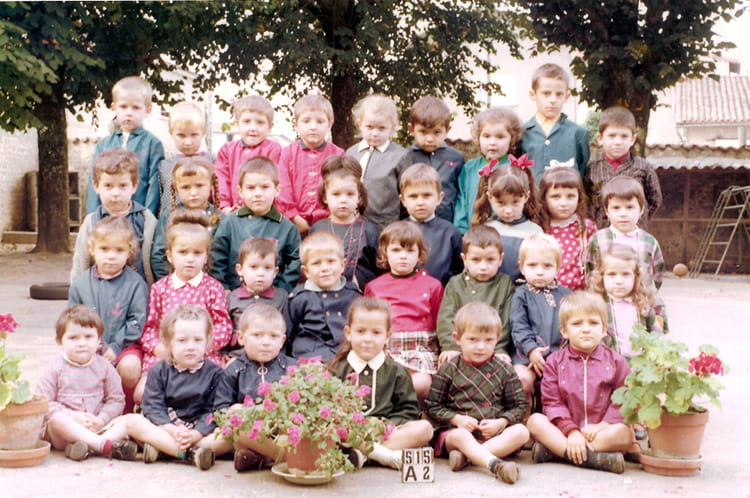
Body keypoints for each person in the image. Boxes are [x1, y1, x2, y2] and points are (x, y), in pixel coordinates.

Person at [526, 291, 632, 474]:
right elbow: (552, 402)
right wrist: (572, 431)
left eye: (593, 323)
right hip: (564, 430)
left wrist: (603, 426)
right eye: (577, 324)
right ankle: (594, 458)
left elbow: (625, 397)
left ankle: (558, 452)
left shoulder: (616, 361)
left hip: (600, 432)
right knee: (535, 421)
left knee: (624, 434)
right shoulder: (554, 362)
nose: (586, 329)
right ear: (564, 331)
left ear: (604, 329)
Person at [425, 302, 528, 484]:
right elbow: (432, 406)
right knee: (460, 436)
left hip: (494, 436)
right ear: (457, 338)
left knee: (521, 432)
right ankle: (496, 465)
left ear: (497, 339)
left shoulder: (504, 370)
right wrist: (456, 419)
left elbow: (519, 406)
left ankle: (467, 458)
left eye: (488, 340)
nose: (481, 347)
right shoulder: (449, 369)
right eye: (473, 340)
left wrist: (502, 422)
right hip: (458, 434)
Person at [137, 210, 232, 402]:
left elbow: (223, 326)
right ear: (170, 255)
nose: (190, 259)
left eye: (197, 253)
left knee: (215, 392)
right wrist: (158, 348)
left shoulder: (213, 288)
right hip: (167, 356)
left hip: (202, 356)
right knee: (142, 393)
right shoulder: (160, 288)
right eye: (183, 252)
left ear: (206, 256)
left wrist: (203, 347)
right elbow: (149, 327)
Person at [329, 297, 434, 470]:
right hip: (350, 433)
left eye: (376, 333)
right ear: (348, 333)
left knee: (425, 429)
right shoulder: (336, 369)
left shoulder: (396, 371)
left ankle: (362, 455)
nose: (368, 339)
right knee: (334, 429)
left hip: (386, 433)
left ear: (387, 336)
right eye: (360, 331)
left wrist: (386, 426)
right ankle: (386, 457)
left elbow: (409, 411)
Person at [122, 305, 223, 470]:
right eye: (182, 340)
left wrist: (195, 434)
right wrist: (172, 430)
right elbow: (153, 406)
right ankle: (189, 455)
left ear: (208, 340)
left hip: (199, 433)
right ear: (168, 342)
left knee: (227, 436)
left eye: (198, 340)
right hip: (166, 429)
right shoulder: (158, 371)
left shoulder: (216, 374)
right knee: (133, 422)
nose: (190, 346)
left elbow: (214, 410)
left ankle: (166, 450)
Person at [36, 305, 137, 462]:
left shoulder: (105, 367)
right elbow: (44, 403)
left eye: (88, 337)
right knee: (57, 420)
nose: (82, 343)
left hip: (98, 426)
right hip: (65, 431)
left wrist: (101, 419)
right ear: (60, 341)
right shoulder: (54, 368)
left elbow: (116, 399)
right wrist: (73, 417)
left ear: (99, 340)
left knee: (130, 421)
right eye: (73, 338)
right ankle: (101, 445)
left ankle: (86, 447)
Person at [68, 216, 148, 414]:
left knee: (130, 368)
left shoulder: (136, 284)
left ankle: (124, 412)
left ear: (129, 251)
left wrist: (116, 346)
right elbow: (72, 321)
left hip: (126, 346)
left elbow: (137, 320)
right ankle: (86, 412)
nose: (111, 256)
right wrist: (89, 343)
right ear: (92, 249)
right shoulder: (80, 285)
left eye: (119, 250)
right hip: (89, 345)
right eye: (104, 249)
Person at [363, 221, 443, 401]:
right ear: (385, 253)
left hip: (420, 350)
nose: (403, 257)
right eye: (396, 250)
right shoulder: (374, 287)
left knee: (421, 382)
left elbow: (438, 322)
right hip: (387, 349)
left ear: (419, 254)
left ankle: (400, 404)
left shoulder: (433, 285)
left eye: (410, 251)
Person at [213, 303, 297, 472]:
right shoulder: (234, 370)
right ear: (241, 338)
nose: (266, 342)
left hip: (281, 431)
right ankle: (279, 458)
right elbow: (220, 408)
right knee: (234, 428)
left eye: (273, 336)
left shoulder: (291, 368)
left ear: (282, 341)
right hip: (249, 433)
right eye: (257, 335)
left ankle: (266, 457)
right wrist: (235, 411)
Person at [210, 157, 301, 292]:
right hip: (235, 295)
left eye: (265, 187)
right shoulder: (230, 223)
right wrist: (224, 287)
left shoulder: (286, 228)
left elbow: (296, 262)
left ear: (277, 190)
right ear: (240, 191)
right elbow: (217, 257)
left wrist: (282, 290)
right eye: (251, 188)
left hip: (273, 296)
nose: (258, 194)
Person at [71, 148, 157, 284]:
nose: (115, 193)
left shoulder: (146, 219)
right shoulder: (92, 221)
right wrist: (78, 290)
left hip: (138, 290)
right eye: (108, 186)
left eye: (122, 186)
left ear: (134, 186)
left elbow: (156, 258)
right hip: (100, 289)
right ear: (96, 186)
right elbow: (80, 261)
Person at [436, 225, 515, 368]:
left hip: (492, 347)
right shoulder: (455, 284)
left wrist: (499, 348)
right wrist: (450, 346)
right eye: (476, 260)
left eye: (490, 260)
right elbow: (446, 318)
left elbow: (506, 321)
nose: (483, 267)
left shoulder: (505, 284)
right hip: (460, 347)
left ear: (500, 259)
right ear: (464, 259)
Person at [86, 76, 164, 215]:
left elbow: (155, 187)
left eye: (136, 108)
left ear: (147, 110)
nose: (129, 113)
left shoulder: (152, 144)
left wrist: (147, 218)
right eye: (123, 107)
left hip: (137, 218)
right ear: (114, 107)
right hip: (107, 217)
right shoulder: (103, 145)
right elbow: (94, 183)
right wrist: (94, 217)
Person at [510, 234, 572, 395]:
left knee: (571, 381)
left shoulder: (566, 295)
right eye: (532, 265)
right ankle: (526, 407)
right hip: (526, 356)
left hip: (559, 356)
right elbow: (518, 326)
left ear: (557, 268)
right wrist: (531, 350)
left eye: (547, 266)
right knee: (521, 379)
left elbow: (573, 325)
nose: (539, 272)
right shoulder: (521, 294)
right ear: (521, 267)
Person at [284, 231, 361, 360]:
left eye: (331, 261)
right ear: (306, 271)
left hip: (345, 358)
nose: (324, 268)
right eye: (316, 263)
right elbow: (288, 335)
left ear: (342, 265)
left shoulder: (353, 296)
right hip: (308, 358)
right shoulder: (299, 298)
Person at [276, 94, 345, 235]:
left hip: (328, 222)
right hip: (292, 222)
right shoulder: (287, 153)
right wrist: (294, 216)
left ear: (330, 124)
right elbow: (282, 187)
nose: (313, 127)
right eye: (306, 121)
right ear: (296, 124)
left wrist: (327, 215)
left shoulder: (338, 154)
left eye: (320, 121)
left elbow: (341, 187)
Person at [309, 156, 381, 291]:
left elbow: (380, 271)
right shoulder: (317, 229)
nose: (343, 200)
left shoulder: (370, 231)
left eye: (350, 194)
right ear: (325, 197)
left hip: (361, 296)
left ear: (359, 197)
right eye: (336, 194)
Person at [585, 106, 662, 229]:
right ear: (600, 138)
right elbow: (586, 202)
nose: (618, 142)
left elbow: (655, 200)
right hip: (602, 231)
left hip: (634, 233)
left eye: (624, 136)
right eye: (612, 136)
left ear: (633, 139)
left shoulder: (643, 167)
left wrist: (639, 219)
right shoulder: (592, 169)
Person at [585, 176, 665, 291]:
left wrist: (648, 293)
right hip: (606, 299)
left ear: (641, 210)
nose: (623, 214)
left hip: (640, 299)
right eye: (616, 208)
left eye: (629, 207)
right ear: (607, 211)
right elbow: (590, 270)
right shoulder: (598, 240)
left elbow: (658, 273)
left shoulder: (649, 242)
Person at [151, 157, 223, 280]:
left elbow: (223, 258)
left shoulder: (220, 218)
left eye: (199, 186)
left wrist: (215, 284)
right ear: (176, 188)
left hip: (211, 286)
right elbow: (159, 254)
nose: (193, 193)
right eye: (186, 187)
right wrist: (169, 283)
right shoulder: (170, 215)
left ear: (211, 185)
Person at [454, 107, 523, 233]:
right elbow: (461, 203)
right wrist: (462, 232)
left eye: (500, 137)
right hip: (473, 234)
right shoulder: (469, 168)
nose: (492, 142)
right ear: (478, 138)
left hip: (506, 234)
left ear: (512, 139)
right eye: (486, 136)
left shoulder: (515, 167)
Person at [588, 244, 664, 356]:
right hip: (608, 362)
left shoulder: (642, 303)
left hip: (639, 362)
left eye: (626, 274)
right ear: (601, 276)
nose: (619, 281)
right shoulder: (596, 306)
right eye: (612, 274)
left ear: (636, 277)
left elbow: (656, 335)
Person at [472, 159, 541, 283]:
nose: (508, 211)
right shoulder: (485, 229)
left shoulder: (534, 232)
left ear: (526, 197)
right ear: (490, 197)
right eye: (501, 203)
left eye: (515, 202)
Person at [345, 94, 408, 229]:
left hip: (385, 227)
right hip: (351, 225)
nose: (375, 133)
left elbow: (406, 195)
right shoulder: (351, 153)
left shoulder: (400, 156)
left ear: (393, 127)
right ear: (360, 124)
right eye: (369, 127)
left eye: (381, 128)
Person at [520, 63, 589, 182]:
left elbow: (581, 171)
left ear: (567, 97)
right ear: (533, 95)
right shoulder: (521, 133)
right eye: (546, 93)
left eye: (559, 94)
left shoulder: (578, 134)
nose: (553, 100)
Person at [401, 96, 464, 222]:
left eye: (436, 132)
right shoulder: (404, 157)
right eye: (423, 132)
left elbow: (461, 195)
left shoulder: (456, 158)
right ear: (412, 130)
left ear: (447, 130)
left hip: (447, 224)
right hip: (412, 225)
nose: (429, 139)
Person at [214, 96, 282, 212]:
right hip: (233, 212)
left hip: (264, 211)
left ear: (270, 127)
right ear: (237, 123)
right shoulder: (227, 150)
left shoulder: (273, 149)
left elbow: (277, 182)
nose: (253, 128)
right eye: (246, 122)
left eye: (260, 122)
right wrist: (224, 206)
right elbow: (221, 180)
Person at [400, 163, 463, 286]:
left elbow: (458, 272)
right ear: (403, 200)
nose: (420, 202)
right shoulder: (396, 232)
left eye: (427, 195)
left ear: (439, 198)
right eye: (413, 196)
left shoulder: (450, 233)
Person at [538, 167, 597, 291]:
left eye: (570, 196)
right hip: (547, 293)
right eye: (556, 197)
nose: (563, 203)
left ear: (579, 197)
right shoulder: (540, 228)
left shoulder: (586, 227)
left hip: (580, 294)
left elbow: (596, 261)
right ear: (544, 199)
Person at [227, 237, 289, 351]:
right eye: (254, 267)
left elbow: (288, 332)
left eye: (267, 268)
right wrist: (224, 353)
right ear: (240, 269)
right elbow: (225, 330)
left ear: (275, 272)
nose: (260, 273)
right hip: (239, 355)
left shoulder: (282, 298)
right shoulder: (231, 298)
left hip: (272, 354)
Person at [157, 101, 211, 216]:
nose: (188, 142)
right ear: (171, 133)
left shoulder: (211, 163)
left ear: (203, 132)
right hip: (172, 221)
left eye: (194, 135)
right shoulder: (164, 166)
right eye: (181, 135)